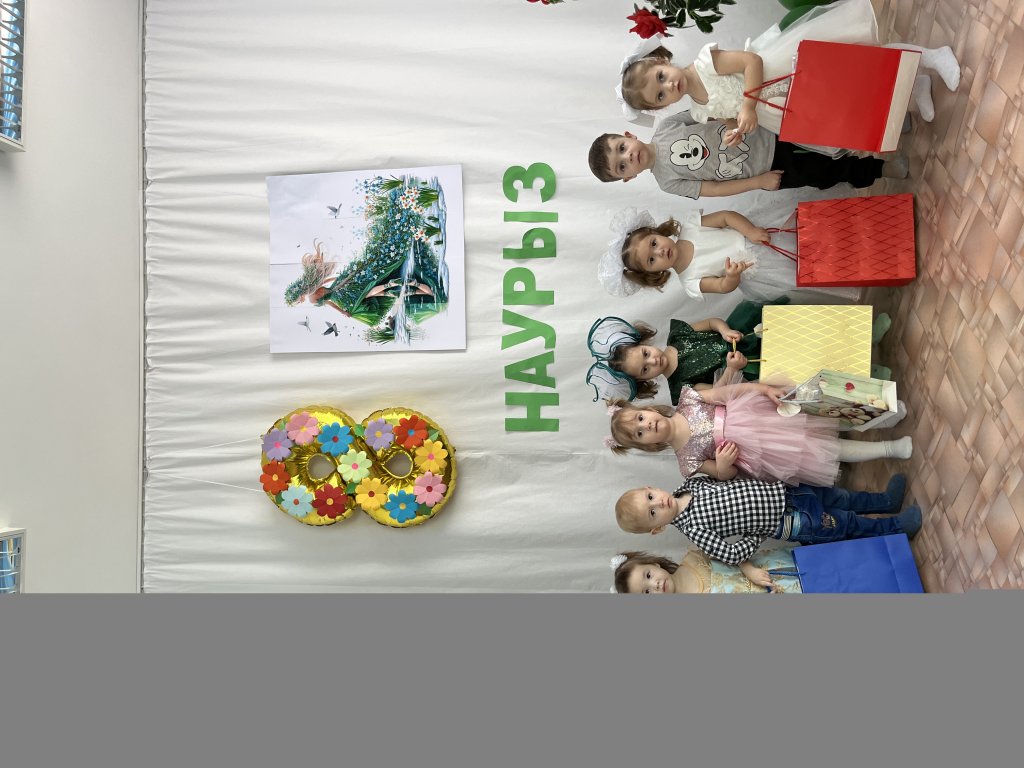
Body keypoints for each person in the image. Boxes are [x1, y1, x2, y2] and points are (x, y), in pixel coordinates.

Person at [616, 0, 961, 137]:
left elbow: (751, 62)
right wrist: (737, 130)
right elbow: (731, 118)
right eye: (660, 96)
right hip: (784, 107)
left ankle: (932, 56)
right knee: (855, 95)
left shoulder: (706, 63)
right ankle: (915, 87)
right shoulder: (697, 110)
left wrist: (748, 104)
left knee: (859, 67)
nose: (668, 87)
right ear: (662, 107)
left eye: (661, 77)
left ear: (662, 62)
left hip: (787, 68)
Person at [613, 473, 922, 576]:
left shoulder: (690, 484)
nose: (659, 504)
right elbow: (730, 554)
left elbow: (727, 479)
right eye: (652, 513)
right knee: (843, 522)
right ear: (657, 529)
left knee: (842, 497)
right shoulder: (694, 530)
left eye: (651, 497)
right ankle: (896, 528)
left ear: (651, 487)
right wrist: (757, 534)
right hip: (790, 522)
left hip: (788, 492)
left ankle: (885, 501)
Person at [605, 383, 913, 485]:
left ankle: (880, 417)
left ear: (649, 409)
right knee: (826, 450)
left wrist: (763, 389)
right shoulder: (687, 461)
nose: (647, 425)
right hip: (766, 450)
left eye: (641, 418)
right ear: (648, 446)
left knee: (823, 417)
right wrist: (724, 466)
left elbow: (729, 391)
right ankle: (889, 449)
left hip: (761, 415)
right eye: (640, 433)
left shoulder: (689, 398)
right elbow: (725, 476)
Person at [587, 113, 908, 199]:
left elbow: (707, 113)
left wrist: (734, 122)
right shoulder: (667, 182)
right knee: (824, 173)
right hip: (768, 168)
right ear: (628, 177)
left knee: (825, 129)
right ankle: (876, 169)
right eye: (622, 166)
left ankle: (883, 128)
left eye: (622, 148)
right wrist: (758, 182)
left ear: (628, 136)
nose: (629, 156)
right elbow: (713, 189)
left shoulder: (667, 126)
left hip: (766, 130)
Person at [596, 206, 859, 302]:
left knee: (810, 236)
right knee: (807, 268)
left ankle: (851, 237)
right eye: (652, 260)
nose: (660, 251)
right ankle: (850, 268)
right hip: (759, 268)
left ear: (656, 232)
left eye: (654, 243)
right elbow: (721, 287)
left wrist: (750, 230)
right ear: (653, 273)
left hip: (755, 234)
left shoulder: (690, 227)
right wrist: (732, 276)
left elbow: (725, 217)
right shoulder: (690, 282)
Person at [585, 304, 782, 405]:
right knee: (787, 362)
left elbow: (711, 322)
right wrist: (731, 369)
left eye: (645, 353)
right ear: (643, 380)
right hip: (748, 366)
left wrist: (724, 331)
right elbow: (718, 391)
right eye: (645, 369)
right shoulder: (680, 388)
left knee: (783, 326)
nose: (653, 360)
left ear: (642, 343)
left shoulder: (678, 335)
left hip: (745, 333)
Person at [610, 548, 803, 594]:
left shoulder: (694, 559)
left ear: (655, 565)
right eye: (646, 592)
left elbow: (731, 552)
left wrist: (749, 569)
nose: (655, 585)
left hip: (771, 568)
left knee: (813, 566)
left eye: (648, 575)